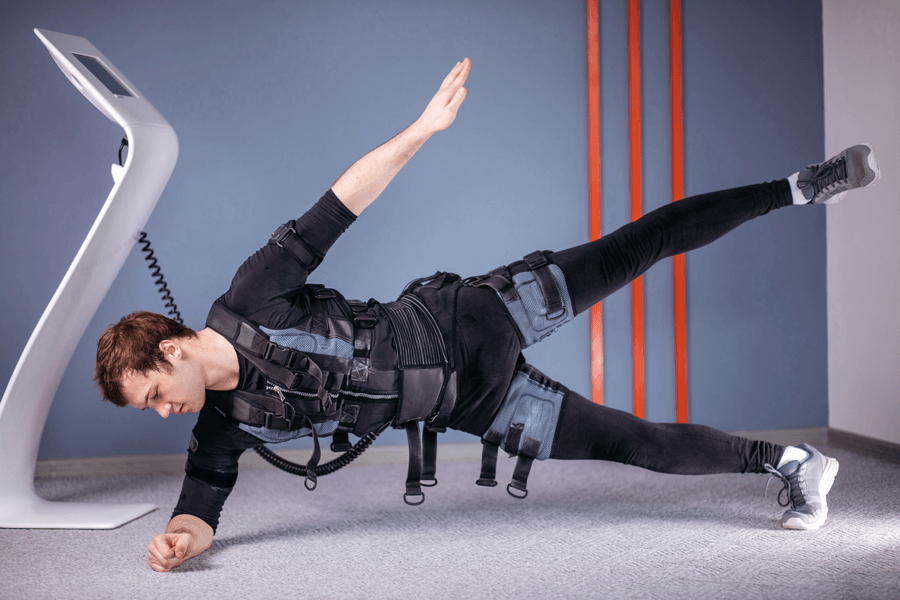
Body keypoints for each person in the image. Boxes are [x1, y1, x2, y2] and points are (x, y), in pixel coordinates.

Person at [92, 58, 880, 573]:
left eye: (156, 392)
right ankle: (794, 467)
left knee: (636, 244)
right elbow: (200, 507)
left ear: (171, 346)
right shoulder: (221, 426)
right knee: (630, 442)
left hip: (472, 320)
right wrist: (178, 544)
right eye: (153, 409)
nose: (166, 410)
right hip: (471, 402)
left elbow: (341, 201)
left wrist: (423, 131)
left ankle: (799, 187)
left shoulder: (252, 293)